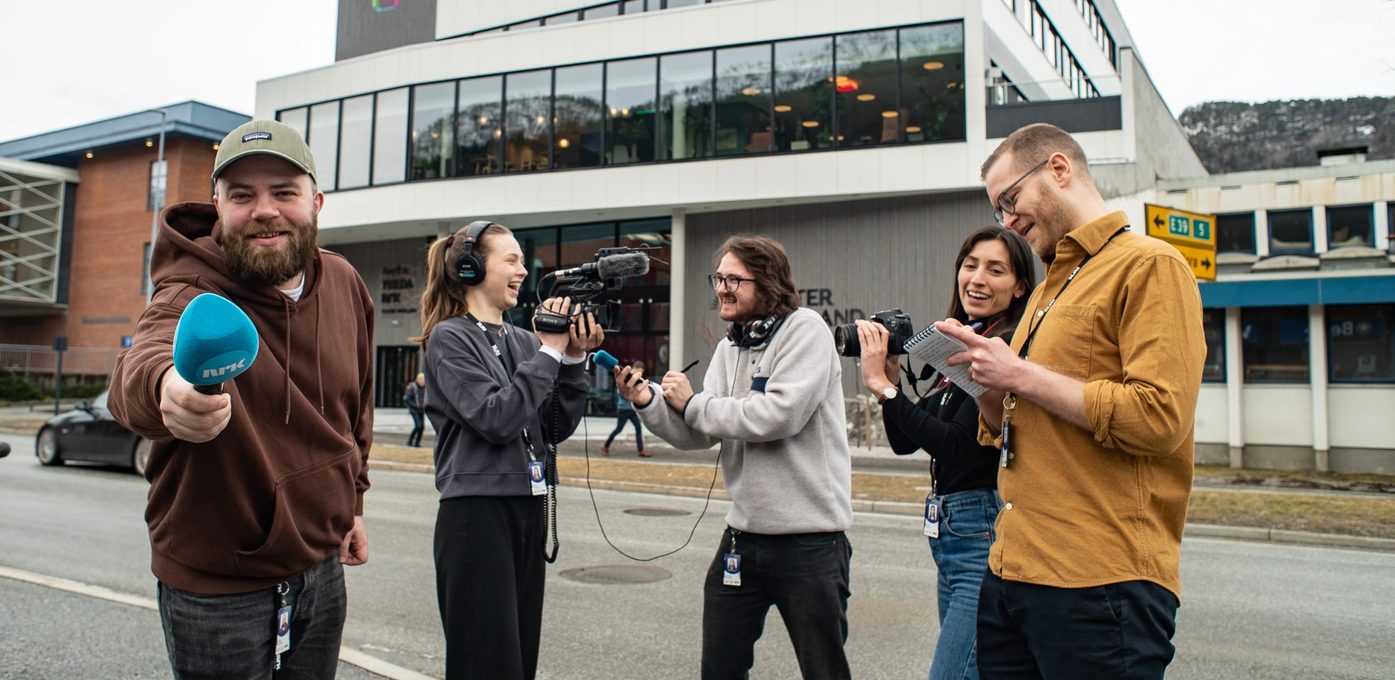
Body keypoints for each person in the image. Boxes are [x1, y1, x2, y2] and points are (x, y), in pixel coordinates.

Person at [937, 123, 1206, 679]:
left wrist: (1020, 373)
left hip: (1099, 581)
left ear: (1058, 169)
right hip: (1011, 572)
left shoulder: (1150, 265)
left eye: (1010, 199)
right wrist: (985, 384)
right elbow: (1015, 426)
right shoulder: (1044, 291)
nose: (1007, 220)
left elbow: (1159, 418)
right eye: (998, 209)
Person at [108, 119, 374, 678]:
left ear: (316, 202)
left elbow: (358, 408)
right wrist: (167, 390)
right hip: (218, 591)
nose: (264, 211)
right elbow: (138, 367)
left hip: (323, 567)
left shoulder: (346, 283)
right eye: (242, 195)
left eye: (284, 192)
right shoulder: (190, 291)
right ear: (218, 206)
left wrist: (353, 505)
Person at [614, 234, 853, 680]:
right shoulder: (730, 347)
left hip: (810, 542)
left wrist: (693, 403)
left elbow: (777, 416)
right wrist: (648, 401)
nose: (722, 288)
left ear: (768, 282)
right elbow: (700, 431)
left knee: (823, 670)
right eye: (718, 278)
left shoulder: (805, 330)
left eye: (734, 280)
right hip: (743, 538)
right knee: (720, 666)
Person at [416, 220, 604, 680]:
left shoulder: (522, 341)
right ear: (473, 268)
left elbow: (553, 427)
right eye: (512, 260)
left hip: (528, 507)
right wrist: (550, 352)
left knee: (519, 659)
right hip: (477, 513)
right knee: (487, 662)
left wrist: (573, 360)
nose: (523, 270)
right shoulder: (449, 337)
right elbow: (496, 418)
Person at [855, 226, 1035, 680]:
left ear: (1020, 287)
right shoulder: (962, 344)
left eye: (996, 270)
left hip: (980, 531)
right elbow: (905, 443)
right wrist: (890, 382)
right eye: (970, 266)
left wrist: (882, 388)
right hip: (951, 537)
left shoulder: (1003, 348)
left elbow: (957, 446)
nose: (977, 278)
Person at [602, 361, 650, 457]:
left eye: (641, 373)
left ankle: (641, 450)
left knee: (638, 427)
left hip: (632, 409)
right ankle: (606, 446)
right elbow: (621, 393)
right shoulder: (625, 376)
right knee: (619, 429)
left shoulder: (637, 379)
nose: (640, 374)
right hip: (623, 409)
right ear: (634, 368)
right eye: (639, 372)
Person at [405, 372, 426, 447]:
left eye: (423, 380)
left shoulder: (425, 387)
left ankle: (417, 442)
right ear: (417, 380)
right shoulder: (412, 386)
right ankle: (410, 440)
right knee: (418, 426)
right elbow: (407, 399)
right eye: (421, 380)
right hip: (414, 410)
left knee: (422, 427)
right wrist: (415, 405)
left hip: (422, 410)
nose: (422, 382)